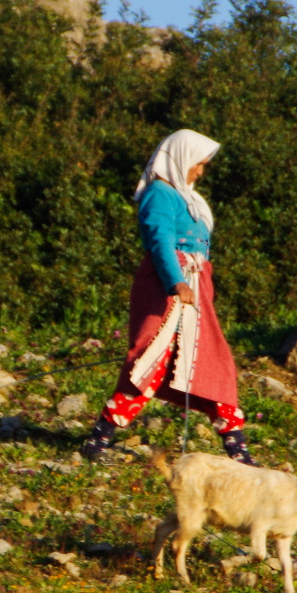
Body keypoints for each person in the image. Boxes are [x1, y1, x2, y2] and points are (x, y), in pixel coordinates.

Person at [81, 128, 255, 465]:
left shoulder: (189, 198)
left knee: (210, 360)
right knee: (151, 359)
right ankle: (98, 439)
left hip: (194, 286)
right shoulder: (160, 194)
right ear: (182, 158)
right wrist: (175, 282)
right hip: (167, 286)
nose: (200, 171)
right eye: (198, 163)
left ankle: (238, 448)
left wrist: (195, 283)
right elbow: (160, 241)